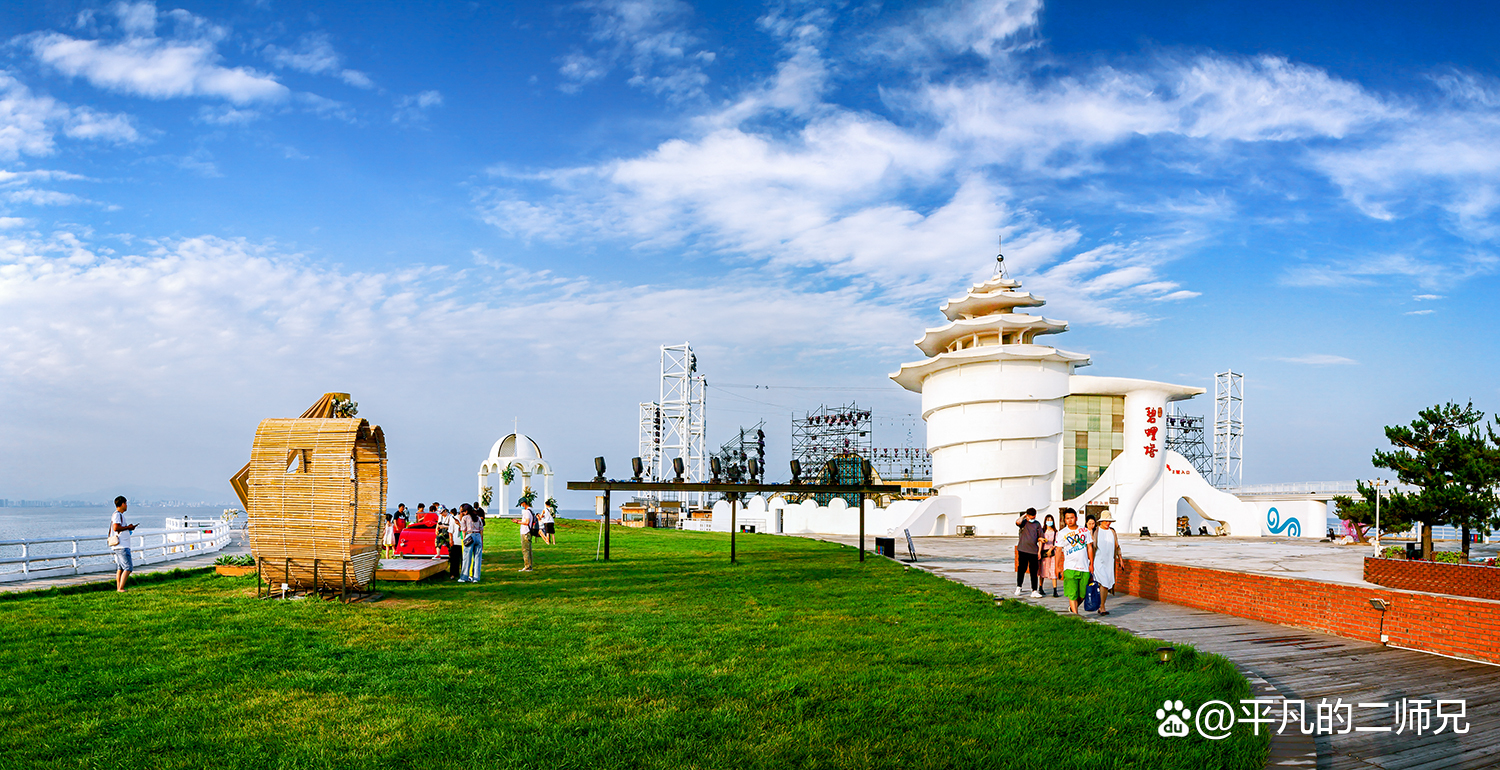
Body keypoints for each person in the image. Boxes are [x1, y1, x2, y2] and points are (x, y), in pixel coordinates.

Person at [1053, 508, 1094, 615]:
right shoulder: (1062, 533)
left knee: (1083, 594)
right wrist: (1057, 567)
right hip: (1070, 567)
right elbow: (1058, 550)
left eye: (1072, 518)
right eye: (1067, 518)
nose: (1070, 520)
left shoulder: (1084, 531)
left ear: (1076, 518)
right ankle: (1076, 616)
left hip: (1084, 567)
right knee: (1072, 593)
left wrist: (1092, 564)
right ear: (1064, 520)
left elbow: (1089, 547)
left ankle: (1072, 608)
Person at [1094, 512, 1123, 615]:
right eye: (1106, 521)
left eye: (1109, 521)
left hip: (1109, 562)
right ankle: (1102, 607)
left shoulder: (1112, 532)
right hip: (1098, 560)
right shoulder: (1096, 531)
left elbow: (1117, 546)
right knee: (1104, 582)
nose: (1108, 523)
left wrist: (1120, 559)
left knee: (1106, 584)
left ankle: (1102, 606)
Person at [109, 496, 138, 592]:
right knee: (128, 567)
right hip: (122, 546)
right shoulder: (117, 515)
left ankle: (119, 587)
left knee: (120, 568)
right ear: (122, 504)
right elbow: (116, 528)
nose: (126, 505)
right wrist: (127, 527)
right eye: (126, 503)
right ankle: (121, 588)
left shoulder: (118, 515)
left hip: (119, 546)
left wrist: (128, 528)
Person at [1013, 507, 1043, 597]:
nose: (1033, 518)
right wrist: (1024, 516)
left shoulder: (1037, 524)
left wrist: (1039, 552)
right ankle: (1019, 587)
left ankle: (1034, 590)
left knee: (1034, 571)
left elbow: (1040, 538)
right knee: (1021, 569)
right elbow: (1017, 522)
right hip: (1023, 549)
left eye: (1034, 516)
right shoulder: (1024, 522)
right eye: (1031, 516)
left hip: (1033, 551)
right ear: (1028, 515)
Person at [457, 503, 485, 583]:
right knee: (477, 558)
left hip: (470, 535)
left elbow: (463, 530)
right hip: (478, 536)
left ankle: (464, 577)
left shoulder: (465, 518)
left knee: (467, 558)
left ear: (466, 511)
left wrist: (464, 539)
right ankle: (476, 577)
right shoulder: (478, 518)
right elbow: (481, 529)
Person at [1039, 513, 1061, 597]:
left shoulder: (1055, 532)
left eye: (1050, 520)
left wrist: (1051, 549)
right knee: (1043, 570)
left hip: (1052, 553)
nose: (1049, 522)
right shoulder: (1043, 531)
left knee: (1053, 570)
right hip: (1044, 553)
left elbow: (1057, 543)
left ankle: (1055, 590)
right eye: (1048, 520)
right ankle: (1040, 587)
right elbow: (1040, 541)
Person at [517, 500, 538, 572]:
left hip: (525, 532)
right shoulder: (530, 510)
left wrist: (518, 522)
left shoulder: (526, 511)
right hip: (528, 531)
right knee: (528, 549)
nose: (520, 506)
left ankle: (527, 566)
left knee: (525, 550)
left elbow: (527, 522)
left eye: (520, 505)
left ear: (523, 503)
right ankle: (529, 565)